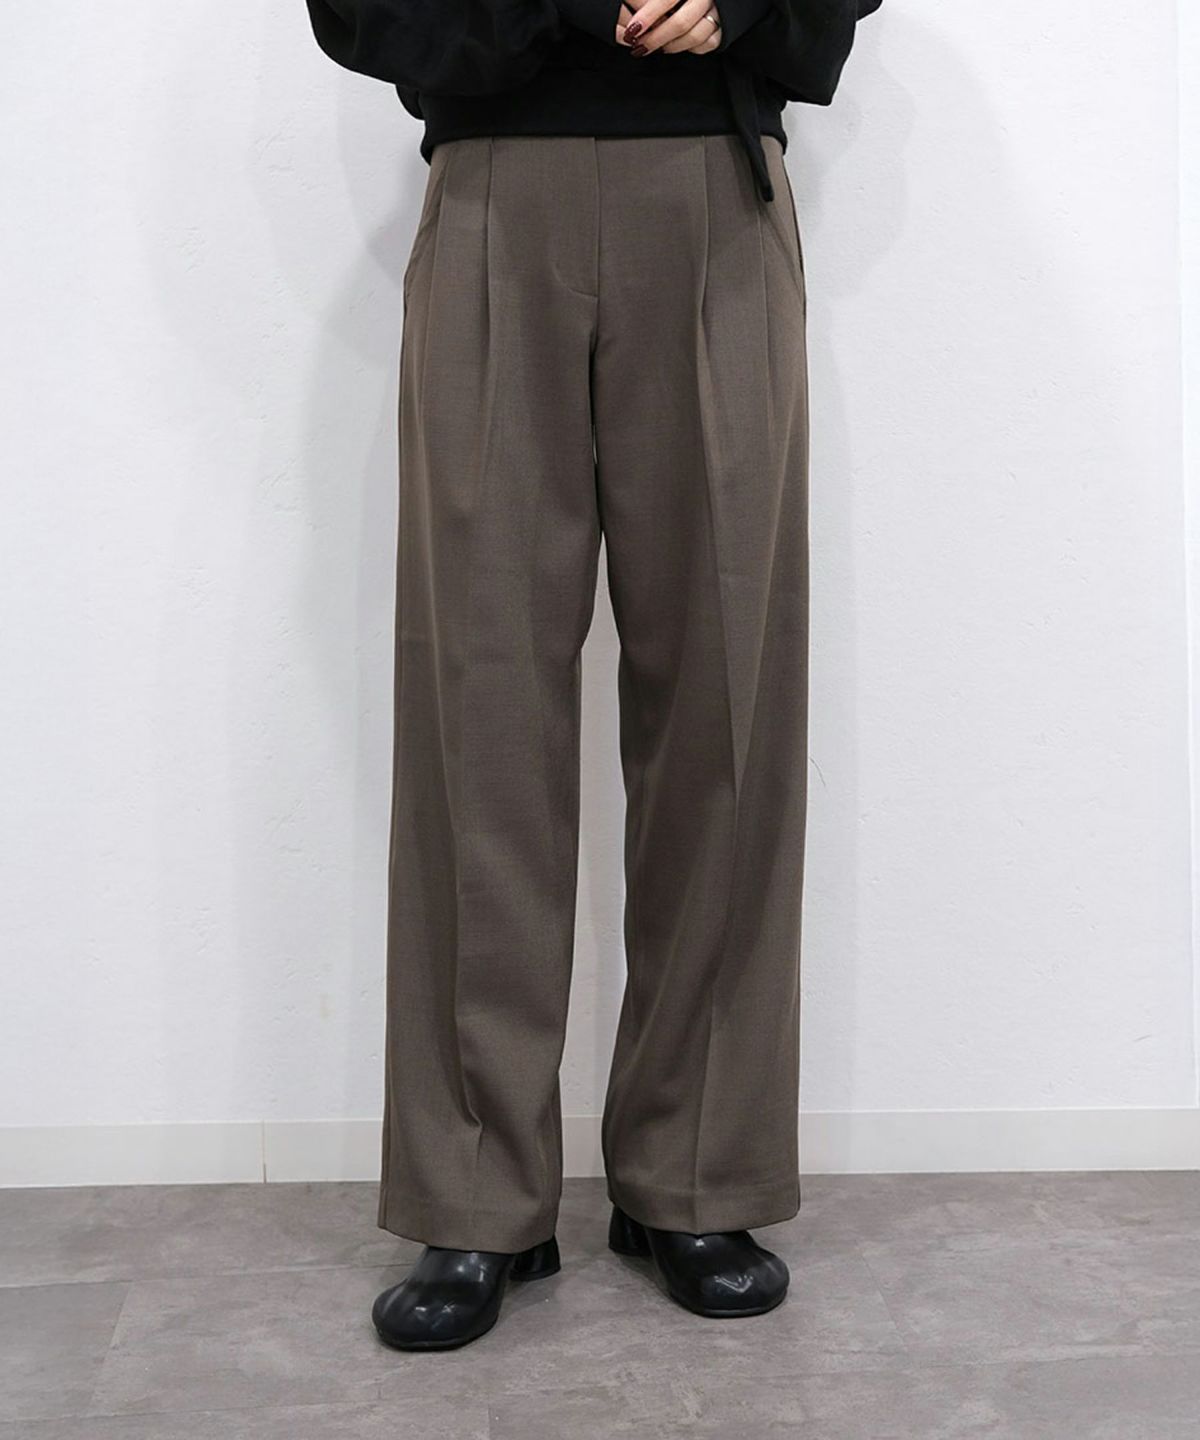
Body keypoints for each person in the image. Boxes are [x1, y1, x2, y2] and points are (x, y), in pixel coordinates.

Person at [304, 0, 881, 1351]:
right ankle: (476, 1193)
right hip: (497, 191)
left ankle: (697, 1172)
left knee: (727, 697)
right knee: (480, 704)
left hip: (716, 197)